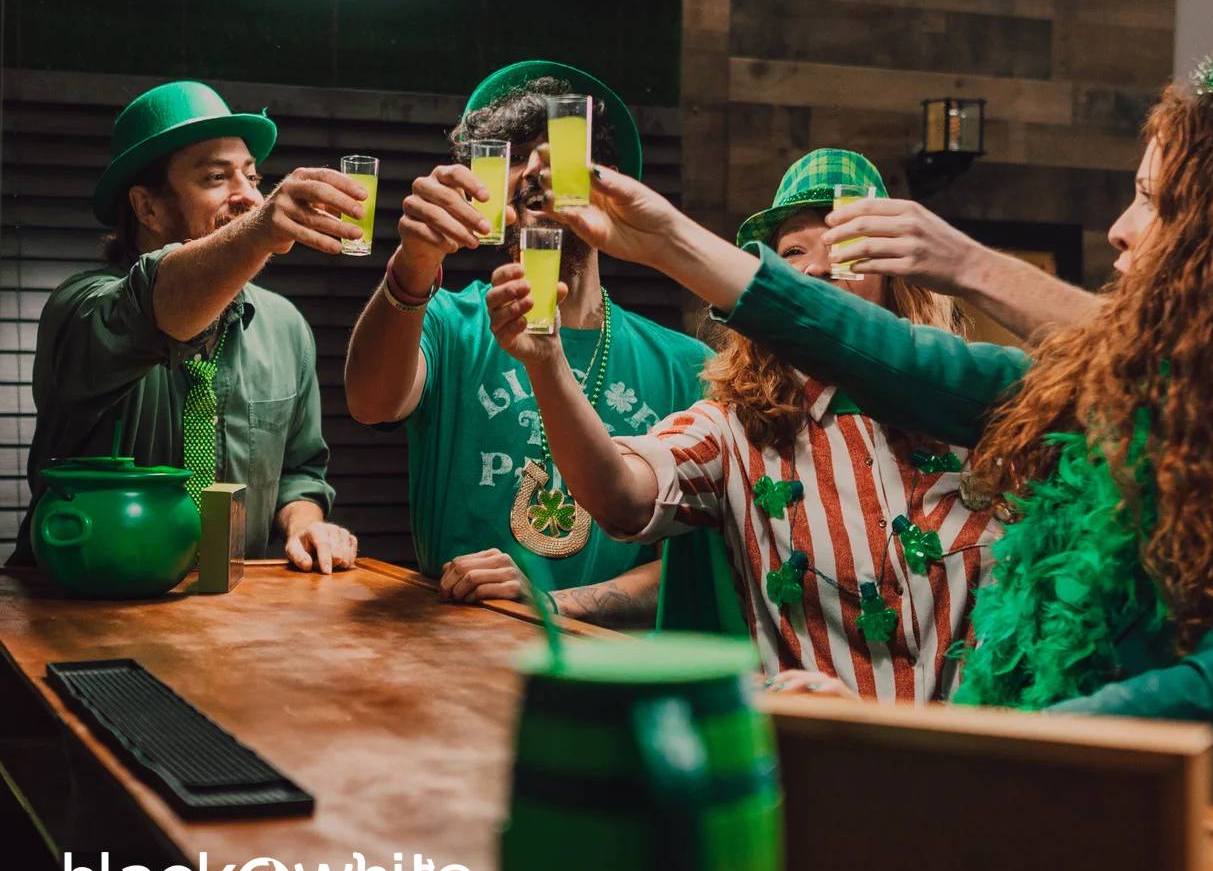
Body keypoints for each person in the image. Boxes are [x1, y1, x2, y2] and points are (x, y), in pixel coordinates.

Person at [530, 31, 1213, 833]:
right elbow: (898, 360)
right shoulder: (1105, 388)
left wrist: (925, 738)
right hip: (1008, 814)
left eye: (1158, 202)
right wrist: (663, 241)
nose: (1121, 230)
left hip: (1211, 856)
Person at [491, 149, 996, 703]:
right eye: (794, 252)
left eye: (848, 247)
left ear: (897, 277)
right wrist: (547, 363)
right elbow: (618, 494)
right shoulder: (736, 430)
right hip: (812, 763)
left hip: (974, 769)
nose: (816, 268)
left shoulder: (977, 414)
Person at [343, 62, 711, 625]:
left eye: (546, 178)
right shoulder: (450, 322)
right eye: (510, 187)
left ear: (606, 186)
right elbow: (370, 402)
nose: (525, 205)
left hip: (609, 676)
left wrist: (548, 607)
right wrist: (414, 260)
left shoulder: (687, 366)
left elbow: (696, 565)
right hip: (453, 651)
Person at [11, 80, 357, 573]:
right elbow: (157, 307)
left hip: (232, 608)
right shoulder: (83, 308)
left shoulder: (285, 327)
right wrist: (260, 233)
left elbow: (299, 472)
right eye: (217, 178)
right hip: (81, 602)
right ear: (146, 206)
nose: (247, 197)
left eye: (253, 178)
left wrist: (305, 523)